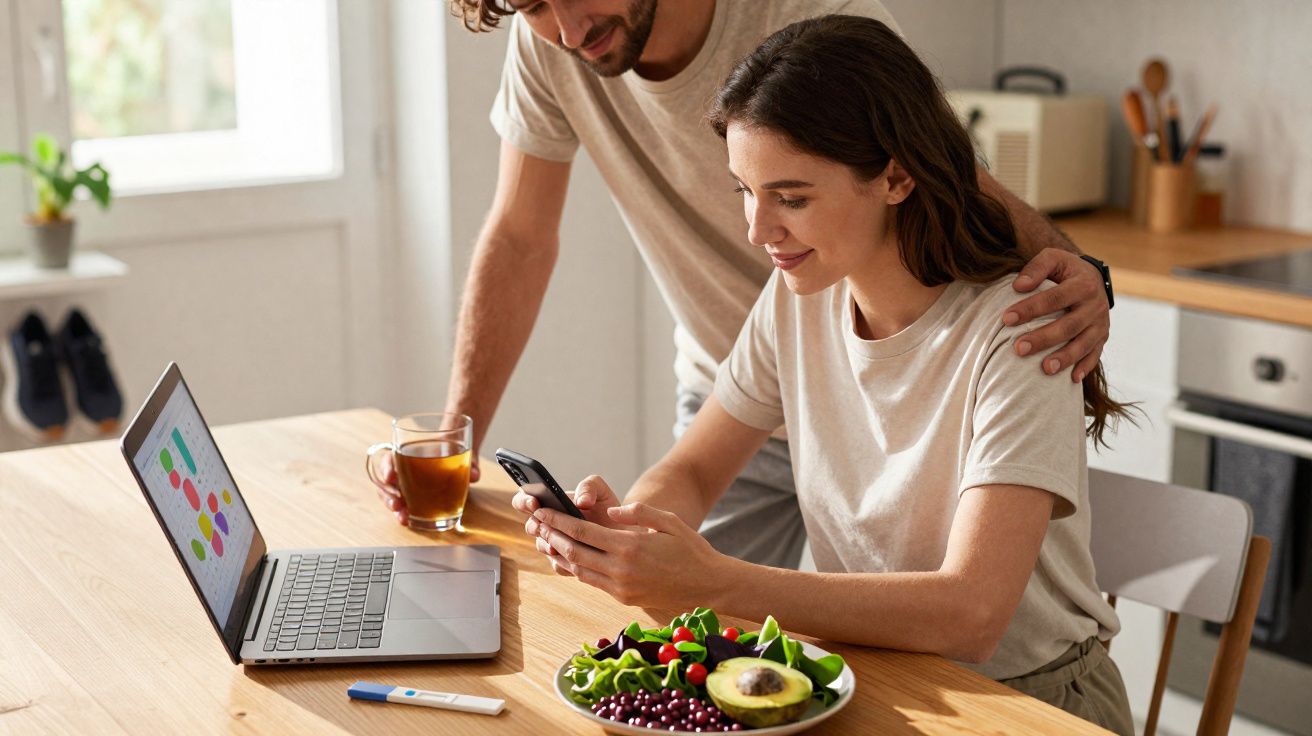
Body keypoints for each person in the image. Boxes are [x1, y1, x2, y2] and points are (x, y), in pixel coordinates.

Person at [510, 14, 1136, 734]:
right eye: (745, 191)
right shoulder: (799, 298)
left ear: (896, 175)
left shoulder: (1022, 330)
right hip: (878, 678)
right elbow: (692, 472)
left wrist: (715, 581)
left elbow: (971, 615)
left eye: (792, 198)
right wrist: (629, 529)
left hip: (1029, 706)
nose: (757, 230)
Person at [374, 0, 1117, 572]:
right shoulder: (553, 43)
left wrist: (1089, 279)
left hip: (896, 406)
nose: (567, 29)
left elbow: (951, 178)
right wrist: (455, 440)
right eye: (531, 6)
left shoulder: (811, 21)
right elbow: (520, 236)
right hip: (741, 384)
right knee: (706, 644)